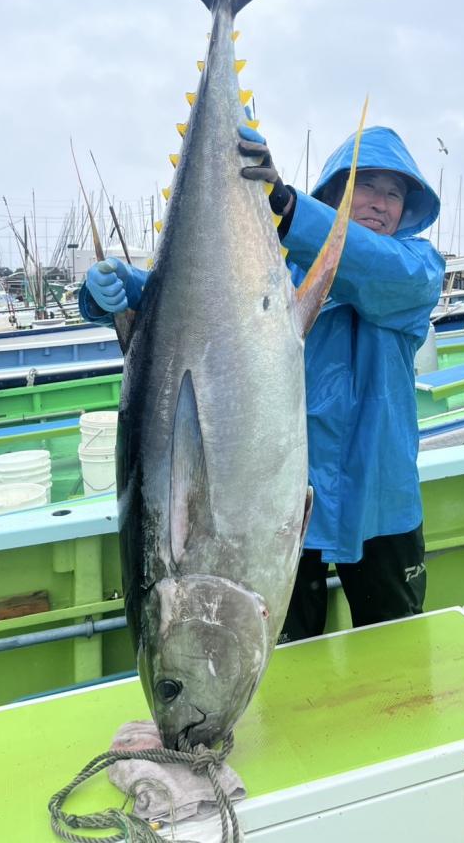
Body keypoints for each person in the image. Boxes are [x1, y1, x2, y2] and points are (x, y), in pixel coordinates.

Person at [79, 122, 444, 642]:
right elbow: (202, 302)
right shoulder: (278, 271)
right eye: (365, 185)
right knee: (286, 653)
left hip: (383, 497)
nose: (380, 203)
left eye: (394, 194)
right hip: (288, 501)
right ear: (333, 193)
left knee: (396, 643)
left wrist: (290, 209)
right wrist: (117, 289)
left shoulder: (418, 268)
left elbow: (368, 267)